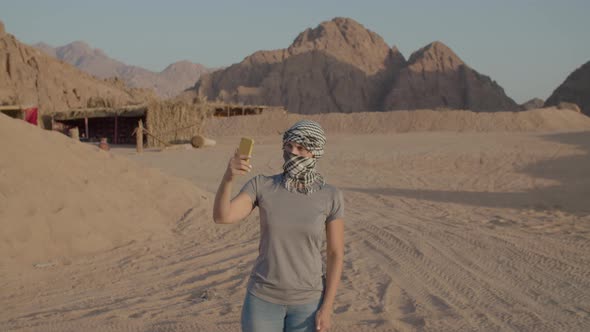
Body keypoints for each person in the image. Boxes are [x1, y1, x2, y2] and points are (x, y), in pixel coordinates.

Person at [213, 120, 345, 332]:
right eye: (289, 145)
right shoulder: (262, 185)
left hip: (308, 303)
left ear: (315, 152)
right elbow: (222, 216)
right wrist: (229, 177)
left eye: (301, 148)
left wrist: (327, 307)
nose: (293, 152)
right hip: (262, 300)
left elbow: (335, 254)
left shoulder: (330, 195)